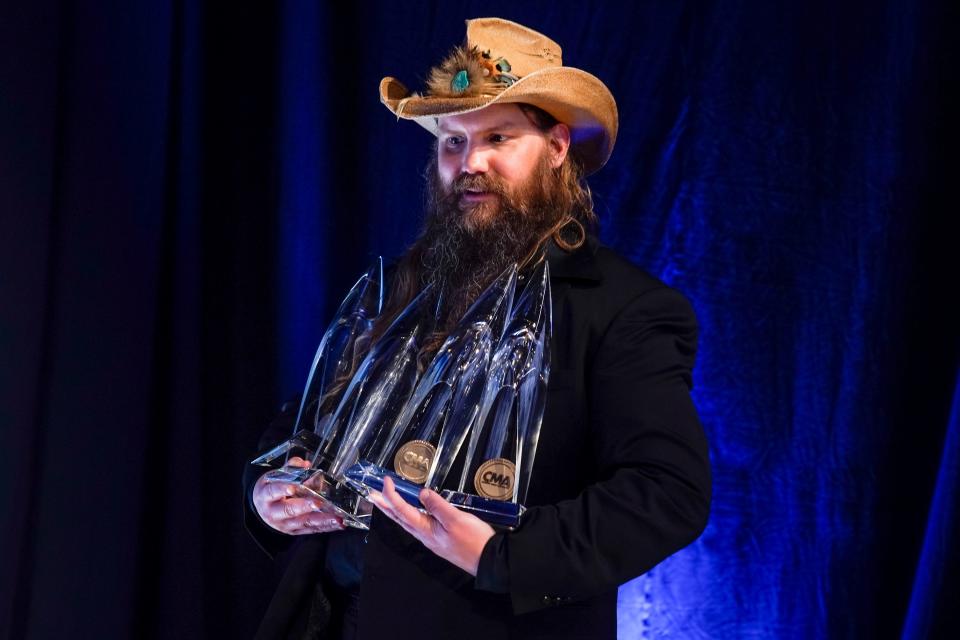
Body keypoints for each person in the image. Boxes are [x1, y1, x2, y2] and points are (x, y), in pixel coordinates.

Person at [243, 17, 711, 640]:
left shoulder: (623, 309)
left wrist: (501, 557)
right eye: (453, 142)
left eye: (498, 137)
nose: (472, 163)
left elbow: (667, 495)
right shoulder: (402, 285)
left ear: (556, 147)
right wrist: (269, 489)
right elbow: (304, 421)